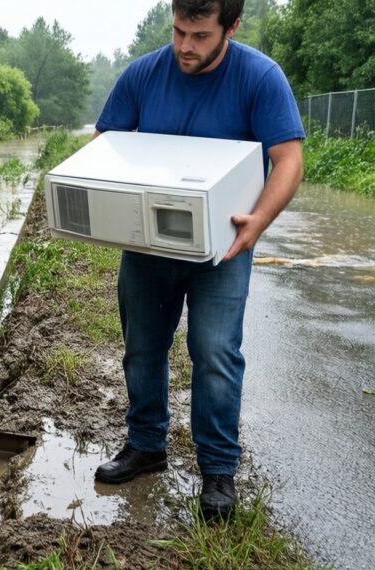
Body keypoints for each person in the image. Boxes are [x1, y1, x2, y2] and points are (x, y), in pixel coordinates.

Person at [91, 0, 304, 521]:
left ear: (231, 27)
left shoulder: (260, 77)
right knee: (142, 348)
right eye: (179, 31)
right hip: (147, 247)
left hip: (223, 249)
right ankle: (146, 445)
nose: (186, 46)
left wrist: (258, 222)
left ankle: (217, 472)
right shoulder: (143, 73)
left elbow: (289, 158)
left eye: (201, 35)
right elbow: (105, 143)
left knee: (214, 355)